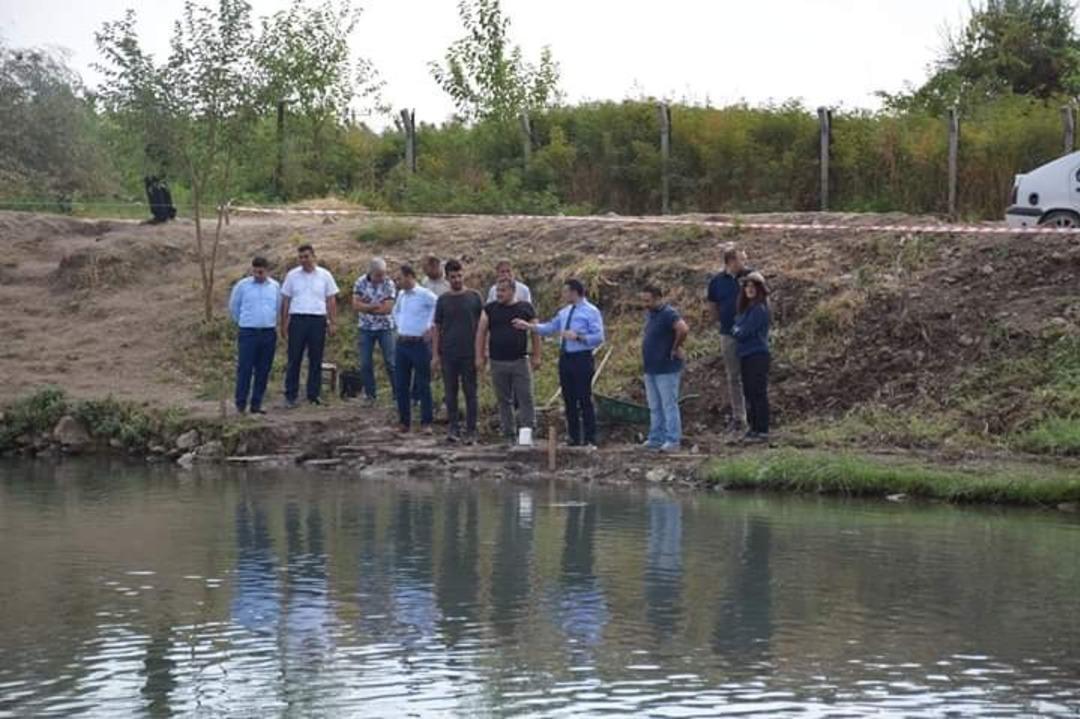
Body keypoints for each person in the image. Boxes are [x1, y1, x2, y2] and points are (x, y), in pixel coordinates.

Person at [515, 279, 604, 448]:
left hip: (582, 357)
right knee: (569, 398)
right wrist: (529, 326)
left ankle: (590, 437)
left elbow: (599, 336)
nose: (563, 295)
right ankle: (574, 436)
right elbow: (550, 327)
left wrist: (579, 337)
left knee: (584, 397)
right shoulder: (564, 312)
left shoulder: (591, 312)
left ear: (574, 292)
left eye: (565, 292)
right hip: (566, 357)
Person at [476, 277, 541, 444]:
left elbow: (535, 332)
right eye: (497, 291)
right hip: (498, 361)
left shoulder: (525, 308)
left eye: (503, 291)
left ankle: (527, 434)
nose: (499, 294)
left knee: (525, 397)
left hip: (520, 360)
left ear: (513, 291)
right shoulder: (490, 309)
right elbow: (481, 332)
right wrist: (480, 356)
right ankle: (508, 434)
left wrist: (537, 355)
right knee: (504, 400)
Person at [279, 244, 339, 408]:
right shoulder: (292, 276)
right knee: (294, 358)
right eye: (301, 257)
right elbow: (286, 300)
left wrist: (333, 322)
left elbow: (331, 300)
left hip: (317, 320)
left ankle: (313, 395)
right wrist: (284, 323)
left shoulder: (325, 275)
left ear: (314, 256)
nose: (304, 260)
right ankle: (290, 395)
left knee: (316, 358)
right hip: (297, 320)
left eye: (306, 256)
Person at [432, 260, 484, 443]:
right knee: (450, 392)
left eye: (459, 276)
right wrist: (436, 354)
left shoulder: (474, 297)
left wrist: (482, 352)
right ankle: (453, 428)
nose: (457, 280)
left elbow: (483, 326)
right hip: (448, 353)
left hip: (470, 352)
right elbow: (437, 328)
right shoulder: (443, 300)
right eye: (453, 277)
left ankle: (471, 429)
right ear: (447, 278)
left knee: (471, 392)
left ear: (464, 274)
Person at [707, 247, 753, 433]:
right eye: (741, 259)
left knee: (752, 373)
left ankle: (755, 413)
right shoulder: (716, 281)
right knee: (734, 376)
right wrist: (721, 322)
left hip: (750, 333)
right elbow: (712, 304)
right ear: (731, 262)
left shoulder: (751, 277)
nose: (745, 263)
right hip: (728, 334)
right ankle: (739, 417)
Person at [640, 285, 690, 452]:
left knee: (668, 404)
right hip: (651, 367)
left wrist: (675, 348)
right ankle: (656, 437)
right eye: (644, 300)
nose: (645, 304)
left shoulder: (668, 313)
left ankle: (673, 440)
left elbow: (683, 329)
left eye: (648, 300)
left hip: (666, 367)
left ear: (658, 298)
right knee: (654, 406)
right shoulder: (650, 315)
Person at [229, 256, 279, 415]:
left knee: (263, 369)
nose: (259, 275)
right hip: (248, 332)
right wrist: (244, 322)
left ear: (267, 270)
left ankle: (256, 403)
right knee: (245, 368)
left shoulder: (275, 286)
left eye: (261, 272)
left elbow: (277, 307)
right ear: (252, 270)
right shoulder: (242, 286)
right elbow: (234, 307)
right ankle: (241, 404)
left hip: (268, 332)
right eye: (256, 272)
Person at [392, 264, 438, 433]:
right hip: (403, 343)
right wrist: (399, 325)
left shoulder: (424, 294)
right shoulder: (401, 295)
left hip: (419, 343)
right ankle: (404, 422)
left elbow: (437, 306)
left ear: (410, 276)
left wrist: (429, 325)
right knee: (401, 384)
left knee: (423, 383)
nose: (398, 281)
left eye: (400, 278)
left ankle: (426, 422)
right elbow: (395, 311)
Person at [732, 272, 771, 441]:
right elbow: (736, 327)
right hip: (746, 354)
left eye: (753, 286)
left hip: (757, 354)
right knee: (748, 391)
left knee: (758, 392)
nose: (749, 289)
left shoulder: (760, 309)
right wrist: (738, 329)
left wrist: (738, 329)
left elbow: (742, 331)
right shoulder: (746, 309)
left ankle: (761, 429)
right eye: (747, 286)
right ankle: (753, 427)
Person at [352, 257, 397, 404]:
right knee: (365, 363)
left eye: (383, 273)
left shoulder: (389, 283)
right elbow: (355, 306)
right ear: (370, 272)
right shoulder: (360, 282)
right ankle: (370, 395)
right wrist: (374, 306)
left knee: (391, 362)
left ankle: (398, 394)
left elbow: (387, 309)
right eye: (378, 274)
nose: (381, 277)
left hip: (386, 328)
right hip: (365, 328)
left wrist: (366, 306)